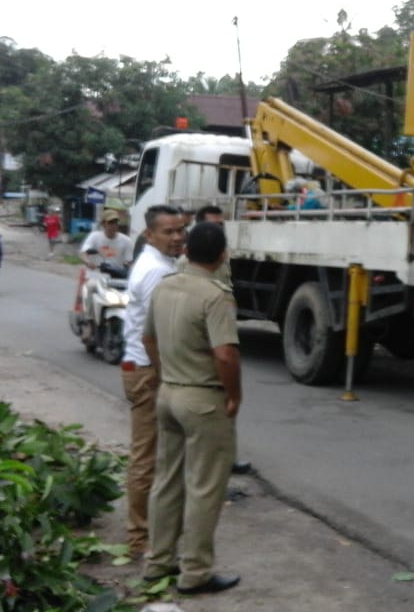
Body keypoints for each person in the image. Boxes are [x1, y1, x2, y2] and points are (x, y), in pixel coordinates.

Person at [142, 221, 242, 595]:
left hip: (168, 393)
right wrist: (234, 395)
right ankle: (195, 572)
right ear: (221, 255)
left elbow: (147, 338)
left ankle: (158, 562)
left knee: (166, 481)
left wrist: (162, 373)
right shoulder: (216, 296)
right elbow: (226, 354)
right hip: (202, 399)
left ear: (185, 251)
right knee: (204, 487)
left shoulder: (166, 286)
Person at [120, 204, 186, 557]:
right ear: (150, 234)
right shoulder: (156, 272)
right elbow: (155, 335)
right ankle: (139, 540)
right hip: (148, 369)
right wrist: (167, 376)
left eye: (180, 231)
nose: (176, 237)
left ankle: (149, 531)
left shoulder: (158, 264)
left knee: (155, 454)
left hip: (142, 366)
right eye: (168, 232)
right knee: (145, 456)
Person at [175, 205, 251, 476]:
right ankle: (205, 462)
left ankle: (227, 457)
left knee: (224, 403)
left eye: (221, 224)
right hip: (202, 339)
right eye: (214, 225)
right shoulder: (186, 265)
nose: (220, 229)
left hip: (220, 328)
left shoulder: (221, 258)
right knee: (213, 402)